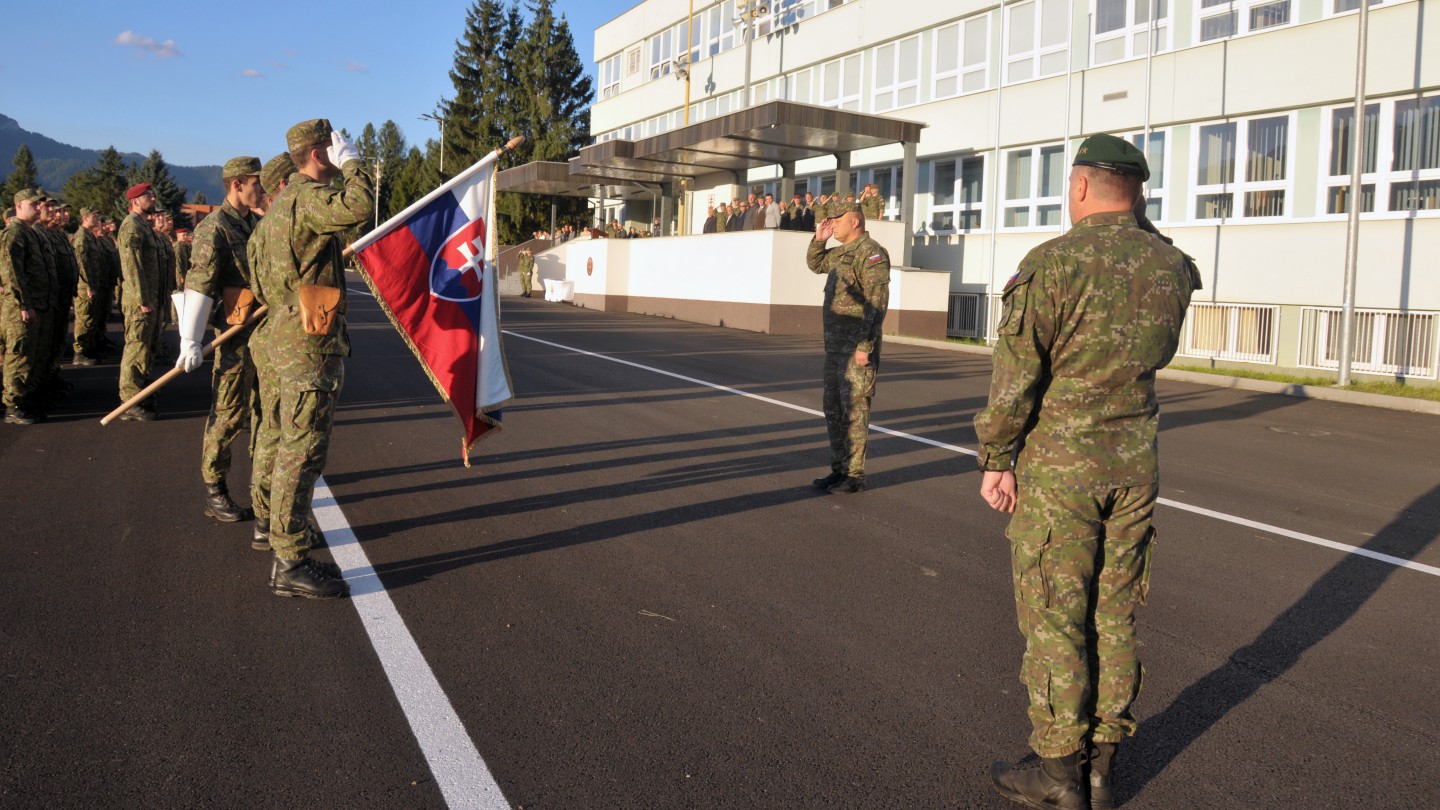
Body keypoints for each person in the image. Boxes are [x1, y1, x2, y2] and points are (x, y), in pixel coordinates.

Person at [975, 134, 1202, 810]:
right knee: (1114, 615)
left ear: (1078, 186)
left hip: (1061, 471)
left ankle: (1057, 773)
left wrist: (997, 457)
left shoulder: (1052, 264)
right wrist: (1140, 224)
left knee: (1055, 615)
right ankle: (1101, 770)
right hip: (1133, 466)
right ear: (1137, 193)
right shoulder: (1172, 266)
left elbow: (1015, 377)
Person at [248, 119, 373, 599]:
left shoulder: (274, 214)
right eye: (332, 147)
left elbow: (261, 284)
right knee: (302, 452)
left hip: (281, 338)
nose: (337, 153)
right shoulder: (307, 197)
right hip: (307, 343)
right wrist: (353, 163)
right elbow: (359, 205)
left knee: (285, 443)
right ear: (319, 154)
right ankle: (290, 561)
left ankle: (280, 534)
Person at [178, 156, 265, 525]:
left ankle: (263, 485)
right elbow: (199, 284)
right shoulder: (214, 229)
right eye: (256, 183)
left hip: (261, 331)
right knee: (228, 414)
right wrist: (189, 338)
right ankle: (215, 489)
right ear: (237, 185)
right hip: (233, 336)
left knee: (262, 410)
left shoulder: (254, 224)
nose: (261, 189)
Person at [806, 200, 889, 495]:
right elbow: (816, 264)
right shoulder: (841, 253)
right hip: (835, 350)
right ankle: (839, 469)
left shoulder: (872, 253)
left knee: (854, 413)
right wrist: (819, 240)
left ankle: (854, 475)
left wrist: (865, 345)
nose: (833, 225)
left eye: (838, 220)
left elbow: (876, 303)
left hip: (856, 350)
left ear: (855, 221)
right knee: (833, 410)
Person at [1, 189, 54, 424]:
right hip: (20, 307)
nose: (39, 208)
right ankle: (13, 405)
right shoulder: (14, 233)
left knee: (31, 354)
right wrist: (23, 304)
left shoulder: (29, 233)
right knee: (19, 354)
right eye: (34, 204)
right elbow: (12, 273)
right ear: (19, 206)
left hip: (37, 303)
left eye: (39, 204)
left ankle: (26, 397)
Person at [115, 183, 165, 421]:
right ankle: (129, 400)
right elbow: (132, 267)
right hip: (140, 301)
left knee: (147, 348)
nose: (152, 199)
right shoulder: (132, 227)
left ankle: (140, 391)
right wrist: (142, 299)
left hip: (150, 299)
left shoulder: (143, 226)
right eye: (147, 196)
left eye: (152, 195)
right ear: (135, 201)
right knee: (137, 348)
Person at [71, 207, 108, 364]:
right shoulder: (81, 237)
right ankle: (79, 352)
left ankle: (89, 348)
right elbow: (81, 263)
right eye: (94, 216)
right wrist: (87, 285)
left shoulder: (90, 236)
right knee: (84, 318)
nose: (97, 219)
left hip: (94, 284)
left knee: (92, 317)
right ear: (85, 218)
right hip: (85, 286)